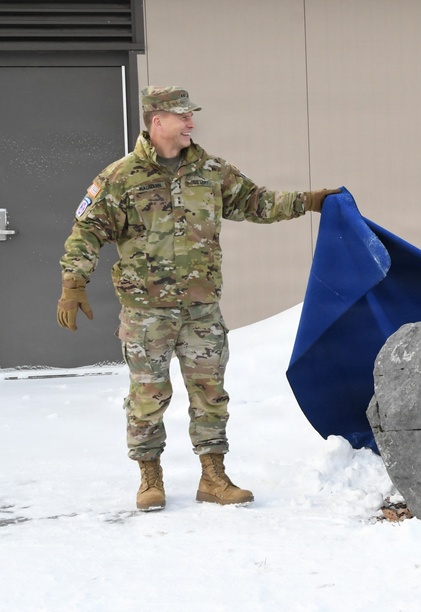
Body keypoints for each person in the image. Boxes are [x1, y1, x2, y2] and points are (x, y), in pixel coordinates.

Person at [56, 86, 340, 511]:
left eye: (192, 116)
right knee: (147, 396)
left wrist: (311, 201)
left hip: (201, 309)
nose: (191, 123)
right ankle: (149, 479)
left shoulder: (211, 171)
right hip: (146, 312)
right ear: (157, 121)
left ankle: (214, 477)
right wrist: (72, 282)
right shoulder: (120, 177)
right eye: (183, 116)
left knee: (210, 393)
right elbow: (87, 232)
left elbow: (257, 202)